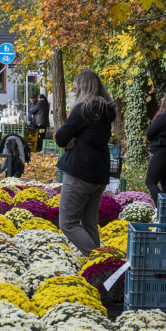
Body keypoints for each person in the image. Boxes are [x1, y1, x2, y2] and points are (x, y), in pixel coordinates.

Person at [54, 70, 116, 256]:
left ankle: (100, 260)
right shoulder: (107, 109)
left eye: (76, 86)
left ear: (83, 87)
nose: (74, 89)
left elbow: (60, 137)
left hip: (80, 171)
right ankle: (100, 269)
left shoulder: (84, 108)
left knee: (68, 224)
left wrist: (69, 142)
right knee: (89, 223)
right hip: (99, 173)